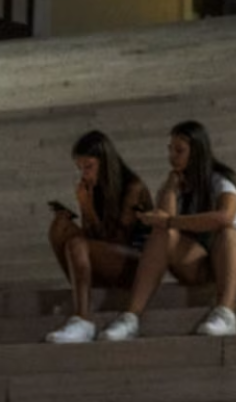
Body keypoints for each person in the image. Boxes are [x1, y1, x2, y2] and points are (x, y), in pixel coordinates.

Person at [120, 118, 236, 339]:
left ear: (196, 151)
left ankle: (225, 313)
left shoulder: (221, 179)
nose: (172, 157)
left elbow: (224, 218)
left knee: (227, 234)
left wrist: (170, 222)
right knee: (162, 235)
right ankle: (130, 318)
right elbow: (164, 223)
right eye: (170, 150)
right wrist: (170, 186)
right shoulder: (178, 182)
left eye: (179, 151)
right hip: (204, 258)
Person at [43, 128, 158, 343]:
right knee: (60, 226)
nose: (85, 174)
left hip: (136, 263)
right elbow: (92, 236)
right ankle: (83, 293)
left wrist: (87, 208)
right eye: (80, 168)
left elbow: (117, 240)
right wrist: (85, 207)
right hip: (108, 257)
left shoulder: (133, 187)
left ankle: (83, 320)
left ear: (105, 162)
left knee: (77, 244)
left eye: (89, 167)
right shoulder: (93, 188)